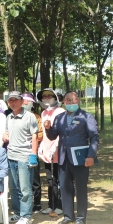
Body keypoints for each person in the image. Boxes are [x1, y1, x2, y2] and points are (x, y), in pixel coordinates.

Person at [45, 91, 99, 224]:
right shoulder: (60, 118)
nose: (70, 102)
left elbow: (94, 137)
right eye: (67, 100)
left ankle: (81, 218)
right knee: (65, 187)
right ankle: (68, 216)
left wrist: (91, 156)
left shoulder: (86, 116)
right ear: (64, 102)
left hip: (81, 159)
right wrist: (48, 128)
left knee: (80, 188)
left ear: (78, 101)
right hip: (63, 158)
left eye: (73, 100)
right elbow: (52, 136)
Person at [2, 91, 39, 224]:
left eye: (15, 100)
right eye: (10, 100)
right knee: (14, 188)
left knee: (25, 188)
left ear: (22, 101)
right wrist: (5, 136)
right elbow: (7, 133)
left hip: (24, 157)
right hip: (11, 156)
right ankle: (17, 212)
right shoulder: (9, 117)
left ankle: (26, 215)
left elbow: (34, 136)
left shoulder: (29, 117)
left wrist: (33, 155)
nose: (13, 102)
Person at [37, 88, 65, 217]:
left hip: (59, 150)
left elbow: (61, 132)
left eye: (49, 95)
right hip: (48, 151)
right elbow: (43, 131)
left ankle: (60, 204)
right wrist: (42, 146)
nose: (47, 98)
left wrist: (56, 146)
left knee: (58, 179)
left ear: (55, 97)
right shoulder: (43, 113)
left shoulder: (60, 112)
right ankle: (51, 205)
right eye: (44, 96)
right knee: (50, 179)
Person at [22, 92, 44, 214]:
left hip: (32, 151)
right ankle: (25, 202)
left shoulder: (37, 117)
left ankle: (37, 203)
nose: (25, 103)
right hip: (20, 152)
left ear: (32, 103)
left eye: (27, 101)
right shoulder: (17, 116)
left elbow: (41, 134)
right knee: (22, 180)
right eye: (23, 101)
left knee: (35, 178)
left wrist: (32, 137)